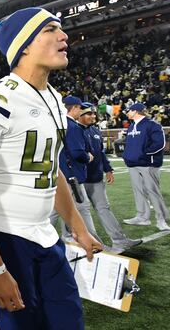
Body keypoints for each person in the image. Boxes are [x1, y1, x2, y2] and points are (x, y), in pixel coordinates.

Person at [0, 7, 102, 330]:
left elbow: (52, 169)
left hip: (46, 237)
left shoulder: (53, 97)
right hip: (6, 239)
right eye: (50, 30)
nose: (63, 36)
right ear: (23, 44)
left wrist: (77, 226)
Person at [78, 103, 142, 252]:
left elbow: (100, 153)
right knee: (80, 213)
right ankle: (92, 245)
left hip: (95, 178)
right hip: (80, 179)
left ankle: (120, 241)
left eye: (94, 114)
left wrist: (108, 169)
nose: (93, 116)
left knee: (104, 208)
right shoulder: (73, 130)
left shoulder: (95, 130)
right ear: (79, 114)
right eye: (89, 114)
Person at [49, 95, 102, 245]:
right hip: (72, 174)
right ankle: (96, 244)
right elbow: (77, 152)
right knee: (83, 208)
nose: (82, 111)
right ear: (75, 108)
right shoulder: (72, 126)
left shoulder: (57, 123)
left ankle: (50, 239)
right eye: (80, 108)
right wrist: (88, 157)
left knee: (56, 209)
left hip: (59, 171)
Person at [122, 102, 170, 231]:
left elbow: (160, 144)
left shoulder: (152, 125)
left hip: (148, 164)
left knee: (153, 192)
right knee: (138, 191)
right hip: (133, 164)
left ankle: (162, 219)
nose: (127, 113)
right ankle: (142, 217)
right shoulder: (132, 126)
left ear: (136, 111)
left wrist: (144, 154)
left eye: (129, 110)